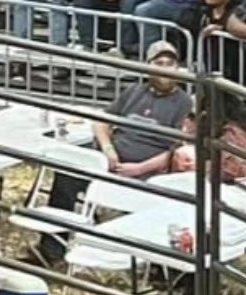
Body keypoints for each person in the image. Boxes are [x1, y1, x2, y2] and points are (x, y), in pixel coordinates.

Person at [36, 41, 192, 263]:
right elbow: (101, 122)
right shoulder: (134, 91)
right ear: (147, 66)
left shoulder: (184, 103)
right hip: (111, 160)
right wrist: (108, 150)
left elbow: (179, 149)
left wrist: (140, 168)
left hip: (150, 170)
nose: (165, 68)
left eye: (170, 63)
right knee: (67, 174)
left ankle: (146, 258)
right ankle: (52, 250)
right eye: (159, 63)